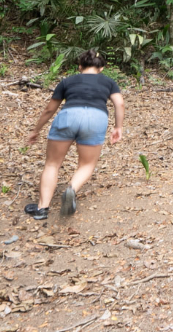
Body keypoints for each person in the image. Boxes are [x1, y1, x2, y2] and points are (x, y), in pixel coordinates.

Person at [24, 50, 124, 220]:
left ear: (80, 66)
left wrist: (36, 130)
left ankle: (42, 208)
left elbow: (50, 109)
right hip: (96, 119)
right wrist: (118, 127)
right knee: (86, 164)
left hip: (68, 116)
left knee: (52, 164)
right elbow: (119, 103)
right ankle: (71, 189)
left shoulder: (68, 81)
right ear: (101, 68)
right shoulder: (109, 82)